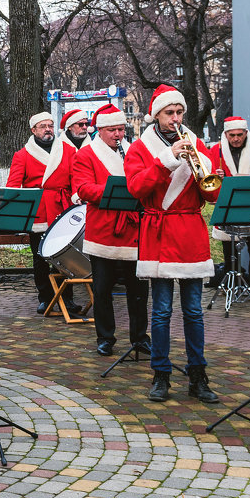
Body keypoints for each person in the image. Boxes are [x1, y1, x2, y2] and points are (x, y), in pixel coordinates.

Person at [125, 84, 220, 404]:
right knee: (162, 311)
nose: (176, 118)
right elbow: (136, 188)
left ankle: (198, 375)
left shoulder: (196, 143)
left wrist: (206, 173)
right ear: (157, 115)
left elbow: (212, 194)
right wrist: (167, 159)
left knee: (194, 311)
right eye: (170, 113)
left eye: (180, 112)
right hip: (159, 231)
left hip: (191, 230)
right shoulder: (140, 148)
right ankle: (161, 374)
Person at [72, 103, 148, 357]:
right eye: (113, 130)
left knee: (138, 290)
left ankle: (139, 336)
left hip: (133, 228)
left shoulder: (133, 151)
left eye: (121, 129)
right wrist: (115, 191)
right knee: (102, 289)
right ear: (100, 131)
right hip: (103, 229)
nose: (118, 134)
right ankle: (105, 337)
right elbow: (82, 188)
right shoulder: (85, 155)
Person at [7, 111, 78, 314]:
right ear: (33, 130)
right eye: (43, 126)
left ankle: (68, 299)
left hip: (63, 207)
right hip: (38, 212)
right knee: (40, 258)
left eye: (50, 125)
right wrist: (17, 217)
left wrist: (76, 199)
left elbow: (76, 179)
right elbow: (14, 188)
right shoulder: (22, 155)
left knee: (66, 257)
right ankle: (45, 298)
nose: (48, 129)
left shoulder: (68, 150)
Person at [209, 116, 250, 299]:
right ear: (225, 134)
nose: (235, 139)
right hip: (229, 208)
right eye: (232, 135)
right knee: (229, 252)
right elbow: (207, 177)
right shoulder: (214, 152)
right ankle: (231, 287)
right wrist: (217, 176)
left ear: (246, 133)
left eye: (239, 135)